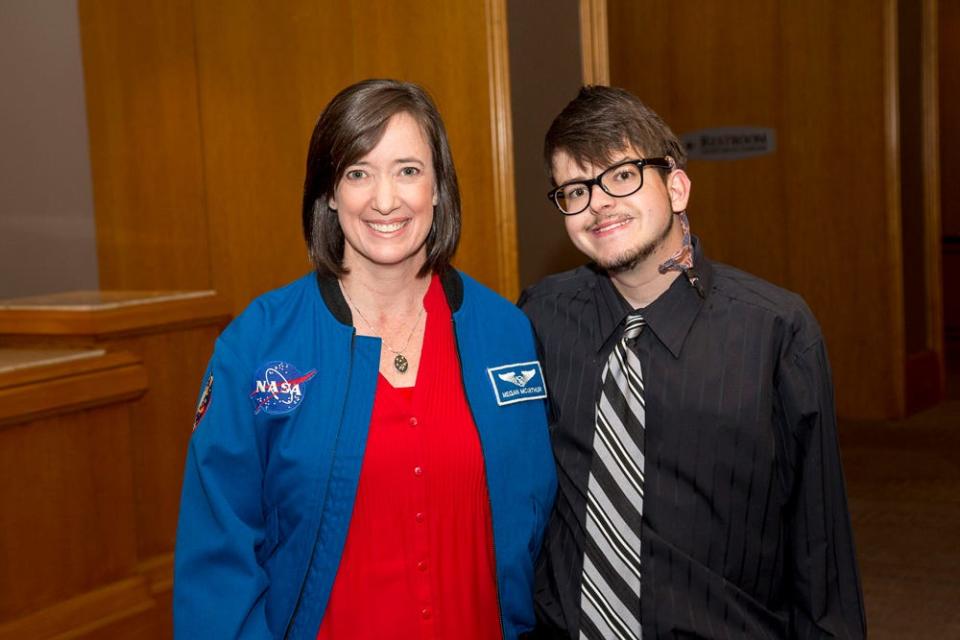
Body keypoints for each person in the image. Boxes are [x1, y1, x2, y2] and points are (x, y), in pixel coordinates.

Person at [174, 79, 556, 640]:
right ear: (328, 192)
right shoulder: (257, 346)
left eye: (408, 170)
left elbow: (543, 532)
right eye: (358, 172)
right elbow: (218, 563)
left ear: (438, 187)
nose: (385, 199)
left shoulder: (506, 334)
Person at [519, 86, 866, 639]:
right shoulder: (539, 317)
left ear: (676, 186)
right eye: (576, 190)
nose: (599, 203)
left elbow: (818, 541)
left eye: (623, 176)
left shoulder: (775, 329)